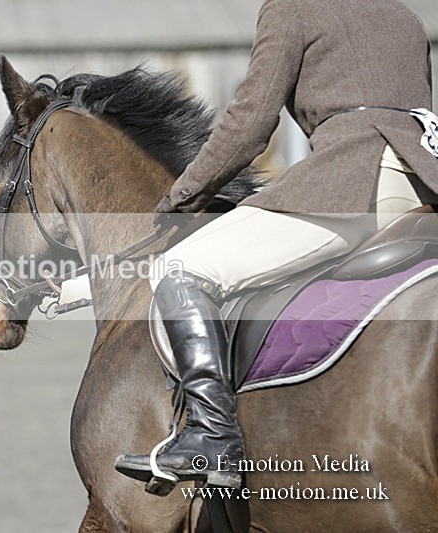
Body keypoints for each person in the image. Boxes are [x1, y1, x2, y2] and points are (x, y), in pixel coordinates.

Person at [114, 0, 438, 490]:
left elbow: (250, 122)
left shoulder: (292, 9)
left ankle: (212, 436)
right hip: (424, 186)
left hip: (355, 178)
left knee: (181, 268)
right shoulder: (403, 15)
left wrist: (183, 194)